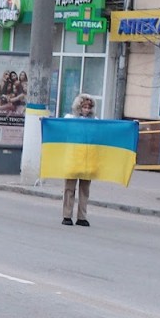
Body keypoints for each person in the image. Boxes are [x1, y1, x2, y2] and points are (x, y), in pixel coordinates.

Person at [61, 95, 99, 227]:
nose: (86, 110)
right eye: (84, 107)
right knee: (69, 188)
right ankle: (67, 215)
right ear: (79, 107)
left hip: (87, 158)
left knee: (85, 189)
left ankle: (82, 217)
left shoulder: (95, 121)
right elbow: (60, 128)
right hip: (73, 157)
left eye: (89, 107)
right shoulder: (70, 119)